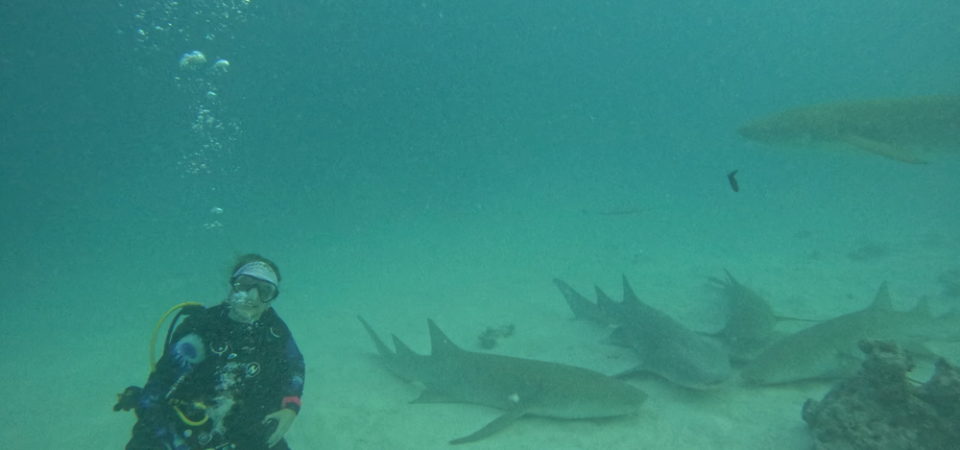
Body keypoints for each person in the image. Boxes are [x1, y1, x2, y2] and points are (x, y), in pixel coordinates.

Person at [121, 254, 305, 449]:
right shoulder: (200, 331)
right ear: (231, 285)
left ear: (271, 298)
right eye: (244, 284)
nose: (252, 296)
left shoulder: (274, 330)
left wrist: (291, 406)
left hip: (243, 428)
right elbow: (152, 397)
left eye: (265, 291)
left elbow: (294, 365)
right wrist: (176, 443)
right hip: (182, 428)